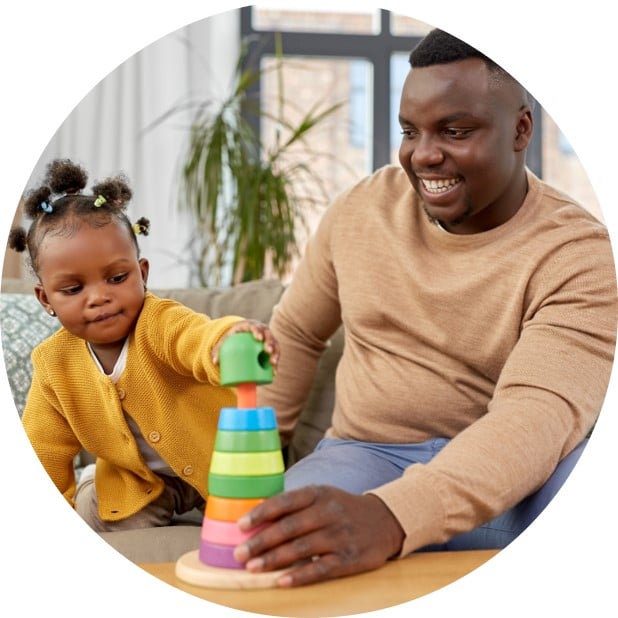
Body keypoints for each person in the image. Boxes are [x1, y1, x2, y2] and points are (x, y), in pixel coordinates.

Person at [230, 29, 618, 587]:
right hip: (364, 455)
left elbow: (537, 416)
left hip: (517, 476)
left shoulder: (579, 253)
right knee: (266, 554)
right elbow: (295, 332)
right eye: (410, 131)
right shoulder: (363, 209)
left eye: (455, 131)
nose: (424, 154)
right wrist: (250, 460)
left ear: (521, 130)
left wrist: (392, 518)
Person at [9, 158, 279, 532]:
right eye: (73, 289)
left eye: (117, 278)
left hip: (221, 464)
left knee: (266, 525)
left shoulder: (159, 322)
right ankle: (95, 482)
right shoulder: (54, 365)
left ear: (143, 273)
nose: (99, 297)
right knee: (102, 520)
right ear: (45, 299)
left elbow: (196, 337)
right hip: (138, 484)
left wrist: (227, 339)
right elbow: (44, 453)